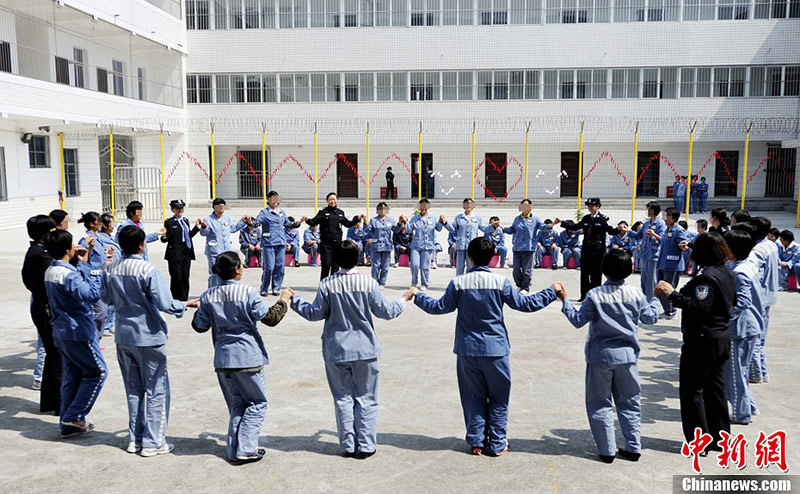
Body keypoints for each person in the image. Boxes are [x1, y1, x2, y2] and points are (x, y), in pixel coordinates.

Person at [410, 237, 559, 456]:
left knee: (472, 398)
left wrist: (418, 296)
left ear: (469, 257)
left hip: (467, 350)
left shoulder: (458, 283)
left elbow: (440, 307)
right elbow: (525, 304)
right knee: (499, 398)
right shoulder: (501, 282)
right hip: (496, 349)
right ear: (492, 258)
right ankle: (498, 443)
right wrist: (551, 291)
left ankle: (477, 441)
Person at [290, 240, 413, 459]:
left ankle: (347, 444)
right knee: (367, 397)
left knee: (343, 398)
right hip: (365, 349)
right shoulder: (369, 283)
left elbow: (314, 313)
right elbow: (386, 311)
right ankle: (365, 445)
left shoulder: (327, 285)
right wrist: (404, 299)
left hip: (336, 349)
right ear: (357, 258)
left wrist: (295, 300)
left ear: (336, 260)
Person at [101, 226, 196, 456]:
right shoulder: (148, 270)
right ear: (142, 245)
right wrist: (187, 304)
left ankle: (135, 438)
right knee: (156, 388)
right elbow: (166, 303)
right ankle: (154, 442)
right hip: (149, 335)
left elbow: (105, 298)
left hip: (124, 335)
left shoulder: (110, 269)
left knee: (133, 389)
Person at [559, 250, 661, 463]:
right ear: (630, 269)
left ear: (604, 270)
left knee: (599, 402)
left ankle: (607, 450)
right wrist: (656, 299)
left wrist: (565, 301)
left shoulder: (595, 294)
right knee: (630, 402)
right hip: (628, 357)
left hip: (601, 357)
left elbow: (578, 320)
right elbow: (650, 318)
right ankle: (633, 447)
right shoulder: (636, 294)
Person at [191, 252, 291, 464]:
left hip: (223, 359)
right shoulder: (248, 292)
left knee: (237, 404)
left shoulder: (208, 295)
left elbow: (199, 326)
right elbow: (270, 318)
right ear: (237, 269)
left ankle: (234, 448)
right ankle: (246, 448)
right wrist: (283, 300)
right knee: (257, 403)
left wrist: (202, 308)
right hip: (247, 356)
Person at [654, 232, 735, 447]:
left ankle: (699, 440)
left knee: (693, 391)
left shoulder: (707, 277)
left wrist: (672, 294)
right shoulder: (726, 271)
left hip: (702, 340)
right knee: (715, 389)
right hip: (721, 337)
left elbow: (700, 308)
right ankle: (720, 437)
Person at [42, 229, 107, 438]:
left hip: (62, 330)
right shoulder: (68, 274)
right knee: (98, 373)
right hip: (78, 330)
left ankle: (67, 423)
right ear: (67, 249)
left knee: (73, 375)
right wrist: (97, 270)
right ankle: (75, 414)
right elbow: (92, 294)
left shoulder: (52, 271)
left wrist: (80, 263)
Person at [722, 230, 763, 425]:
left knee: (734, 373)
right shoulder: (747, 265)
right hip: (749, 326)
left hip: (740, 329)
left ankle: (741, 414)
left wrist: (723, 315)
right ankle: (749, 406)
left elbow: (743, 301)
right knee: (741, 371)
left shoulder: (740, 272)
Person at [22, 214, 61, 414]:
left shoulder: (36, 250)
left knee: (52, 355)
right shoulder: (41, 254)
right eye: (53, 231)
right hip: (46, 308)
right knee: (56, 355)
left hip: (41, 305)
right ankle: (58, 404)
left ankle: (49, 402)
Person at [559, 198, 620, 301]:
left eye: (592, 205)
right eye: (588, 205)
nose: (590, 207)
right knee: (584, 274)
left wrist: (619, 229)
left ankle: (595, 296)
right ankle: (584, 296)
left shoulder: (603, 219)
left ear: (598, 206)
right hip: (587, 249)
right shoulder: (586, 218)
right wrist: (563, 223)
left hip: (598, 251)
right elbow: (575, 226)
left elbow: (610, 231)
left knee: (596, 274)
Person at [744, 217, 779, 385]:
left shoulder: (757, 250)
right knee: (761, 336)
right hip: (769, 295)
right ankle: (763, 372)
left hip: (759, 297)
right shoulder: (772, 245)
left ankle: (756, 372)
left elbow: (753, 274)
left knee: (754, 336)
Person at [253, 191, 306, 296]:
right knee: (269, 267)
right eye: (272, 198)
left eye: (276, 198)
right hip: (269, 243)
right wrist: (250, 222)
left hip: (281, 243)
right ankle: (264, 288)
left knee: (280, 266)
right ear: (268, 199)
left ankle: (276, 288)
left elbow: (288, 224)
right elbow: (257, 222)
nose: (275, 200)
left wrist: (298, 222)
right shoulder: (264, 212)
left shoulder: (282, 212)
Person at [305, 192, 361, 280]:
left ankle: (333, 284)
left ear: (337, 200)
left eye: (334, 199)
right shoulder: (323, 212)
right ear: (327, 201)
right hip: (326, 244)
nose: (332, 201)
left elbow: (347, 224)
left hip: (338, 244)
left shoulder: (340, 213)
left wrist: (357, 219)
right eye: (330, 199)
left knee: (336, 266)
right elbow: (314, 222)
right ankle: (323, 284)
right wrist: (307, 220)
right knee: (326, 265)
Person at [78, 212, 113, 345]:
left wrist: (107, 254)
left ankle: (94, 339)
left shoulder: (96, 238)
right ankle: (92, 339)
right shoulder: (86, 239)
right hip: (92, 280)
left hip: (100, 278)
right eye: (99, 222)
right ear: (93, 223)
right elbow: (84, 259)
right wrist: (89, 247)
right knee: (100, 312)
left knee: (102, 312)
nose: (101, 224)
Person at [199, 198, 250, 288]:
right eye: (219, 208)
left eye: (222, 208)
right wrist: (203, 227)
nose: (221, 211)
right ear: (214, 208)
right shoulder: (208, 219)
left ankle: (224, 291)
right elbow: (204, 233)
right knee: (214, 273)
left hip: (226, 251)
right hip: (214, 251)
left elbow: (233, 229)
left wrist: (242, 221)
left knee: (227, 273)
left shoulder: (226, 217)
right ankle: (212, 291)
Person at [624, 201, 666, 303]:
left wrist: (654, 235)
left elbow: (663, 240)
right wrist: (628, 231)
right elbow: (638, 236)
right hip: (644, 254)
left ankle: (651, 302)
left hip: (653, 255)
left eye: (649, 209)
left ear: (654, 210)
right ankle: (644, 300)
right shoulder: (647, 223)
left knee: (651, 280)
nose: (647, 211)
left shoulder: (661, 224)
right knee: (643, 279)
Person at [160, 200, 201, 301]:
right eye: (177, 208)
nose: (180, 210)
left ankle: (184, 299)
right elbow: (167, 236)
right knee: (176, 277)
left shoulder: (185, 221)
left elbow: (189, 236)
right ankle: (174, 299)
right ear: (173, 209)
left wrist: (197, 227)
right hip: (175, 253)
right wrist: (163, 237)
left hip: (186, 251)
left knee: (185, 277)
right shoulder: (169, 222)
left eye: (181, 208)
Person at [503, 199, 546, 294]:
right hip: (517, 247)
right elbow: (512, 229)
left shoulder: (535, 219)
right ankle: (519, 285)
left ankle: (525, 287)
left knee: (527, 269)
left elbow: (543, 227)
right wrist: (503, 228)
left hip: (528, 248)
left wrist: (552, 224)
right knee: (516, 269)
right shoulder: (517, 219)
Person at [655, 207, 690, 319]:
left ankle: (671, 311)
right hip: (663, 263)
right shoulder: (667, 229)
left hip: (672, 265)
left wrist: (684, 247)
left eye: (668, 216)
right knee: (660, 288)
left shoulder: (679, 230)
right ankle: (667, 310)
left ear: (674, 218)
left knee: (668, 289)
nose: (665, 218)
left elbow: (684, 245)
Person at [403, 198, 444, 290]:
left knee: (424, 266)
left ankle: (424, 284)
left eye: (425, 207)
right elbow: (409, 230)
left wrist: (441, 221)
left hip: (428, 246)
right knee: (414, 264)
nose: (423, 209)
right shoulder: (415, 218)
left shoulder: (433, 218)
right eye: (421, 207)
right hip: (416, 246)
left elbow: (439, 228)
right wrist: (405, 222)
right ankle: (414, 282)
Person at [443, 198, 485, 276]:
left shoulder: (477, 217)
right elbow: (453, 229)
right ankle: (459, 285)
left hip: (472, 247)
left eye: (470, 204)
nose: (468, 206)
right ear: (463, 205)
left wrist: (493, 226)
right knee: (459, 268)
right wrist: (445, 223)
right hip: (461, 246)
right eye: (466, 204)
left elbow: (484, 228)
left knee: (470, 267)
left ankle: (468, 285)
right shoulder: (459, 217)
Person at [96, 213, 121, 336]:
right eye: (112, 222)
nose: (114, 225)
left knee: (114, 300)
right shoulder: (100, 239)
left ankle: (110, 324)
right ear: (105, 225)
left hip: (115, 270)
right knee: (108, 301)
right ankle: (106, 326)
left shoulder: (109, 237)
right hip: (107, 272)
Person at [364, 202, 397, 289]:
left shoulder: (391, 220)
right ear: (377, 210)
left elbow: (396, 230)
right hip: (376, 245)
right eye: (380, 209)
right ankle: (375, 281)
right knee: (375, 265)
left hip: (387, 245)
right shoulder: (373, 220)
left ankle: (382, 282)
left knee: (385, 266)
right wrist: (365, 223)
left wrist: (400, 224)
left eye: (384, 208)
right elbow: (368, 230)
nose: (382, 211)